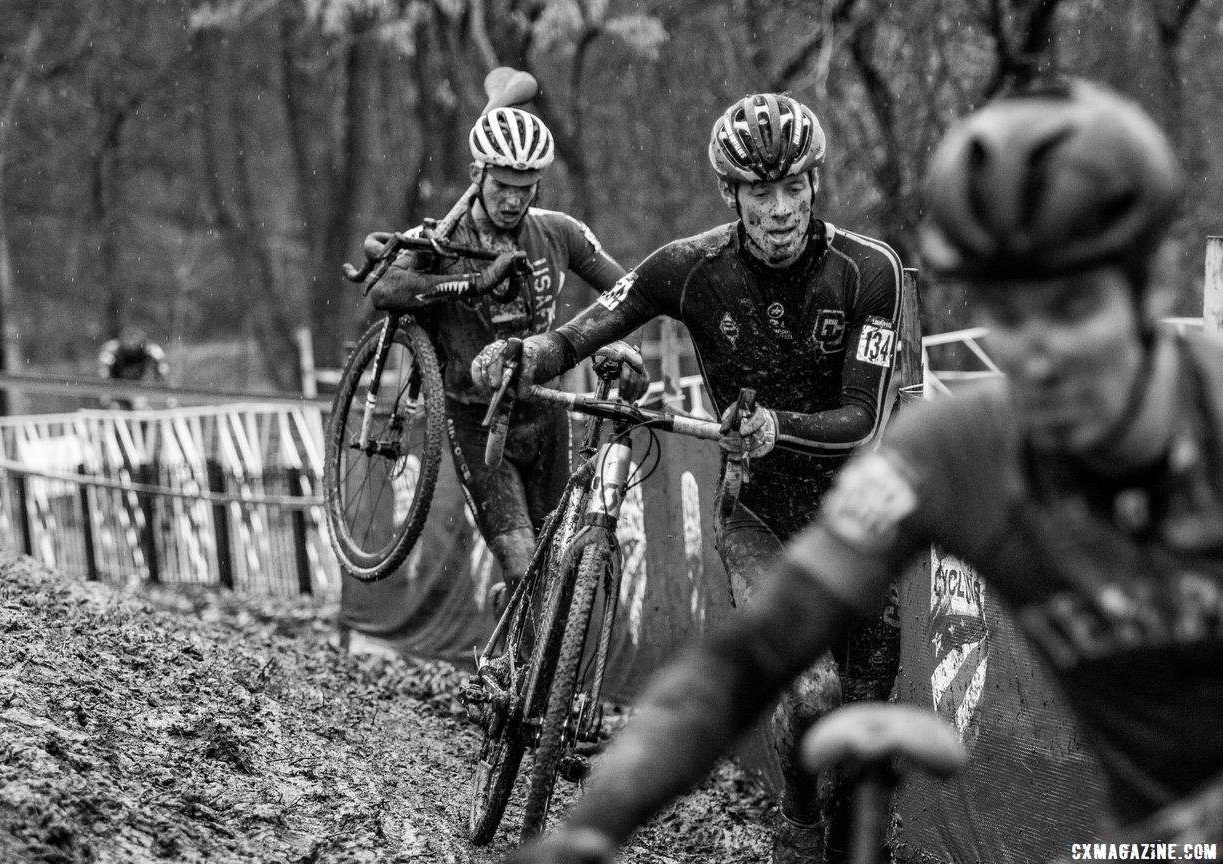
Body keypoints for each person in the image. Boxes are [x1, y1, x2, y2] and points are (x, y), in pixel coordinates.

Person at [503, 78, 1223, 863]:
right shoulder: (956, 451)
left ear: (1151, 278)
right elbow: (747, 661)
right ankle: (806, 824)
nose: (1042, 342)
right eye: (1008, 302)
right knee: (830, 724)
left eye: (1078, 295)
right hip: (773, 512)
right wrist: (594, 822)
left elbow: (859, 412)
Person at [473, 93, 906, 863]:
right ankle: (798, 823)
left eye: (794, 187)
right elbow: (594, 322)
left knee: (864, 748)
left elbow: (862, 418)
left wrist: (776, 423)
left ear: (815, 183)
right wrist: (527, 356)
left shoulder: (866, 269)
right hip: (758, 516)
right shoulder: (691, 266)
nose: (780, 210)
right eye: (760, 193)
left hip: (860, 518)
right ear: (731, 197)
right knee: (814, 697)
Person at [368, 106, 645, 612]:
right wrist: (472, 281)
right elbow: (383, 289)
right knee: (520, 558)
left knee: (554, 568)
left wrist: (624, 346)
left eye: (527, 186)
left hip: (545, 413)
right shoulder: (443, 237)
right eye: (502, 185)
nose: (514, 199)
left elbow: (631, 293)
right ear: (477, 175)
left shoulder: (558, 232)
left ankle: (522, 665)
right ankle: (513, 619)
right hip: (474, 418)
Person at [97, 326, 170, 409]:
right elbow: (103, 370)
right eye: (129, 343)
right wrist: (106, 393)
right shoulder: (112, 349)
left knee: (140, 407)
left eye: (135, 343)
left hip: (138, 386)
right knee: (114, 408)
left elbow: (163, 369)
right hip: (117, 385)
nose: (132, 344)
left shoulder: (151, 349)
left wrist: (167, 395)